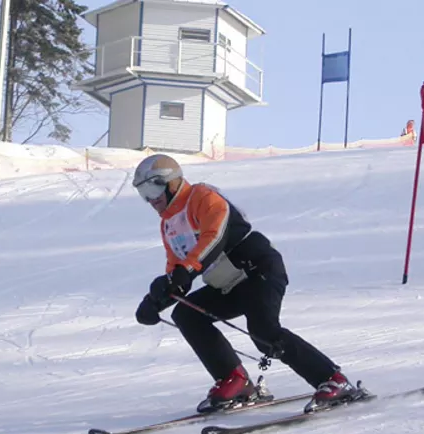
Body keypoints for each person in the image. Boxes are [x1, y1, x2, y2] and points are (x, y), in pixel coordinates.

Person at [132, 153, 363, 414]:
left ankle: (333, 380)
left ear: (172, 183)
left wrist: (186, 269)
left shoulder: (202, 197)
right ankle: (236, 381)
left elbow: (214, 237)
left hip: (258, 271)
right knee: (186, 314)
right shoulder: (169, 225)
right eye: (143, 193)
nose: (151, 199)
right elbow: (177, 271)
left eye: (153, 188)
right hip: (228, 283)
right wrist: (157, 300)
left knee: (264, 332)